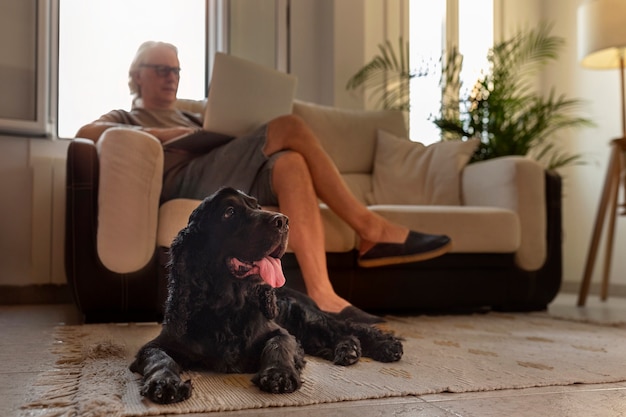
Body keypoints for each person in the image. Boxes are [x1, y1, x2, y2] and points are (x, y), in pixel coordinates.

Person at [76, 41, 452, 324]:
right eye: (160, 68)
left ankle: (322, 294)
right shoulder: (127, 113)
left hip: (228, 172)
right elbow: (87, 132)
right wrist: (163, 132)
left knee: (290, 163)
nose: (170, 76)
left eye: (175, 70)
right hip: (187, 181)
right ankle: (371, 227)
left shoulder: (195, 114)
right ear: (137, 74)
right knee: (290, 127)